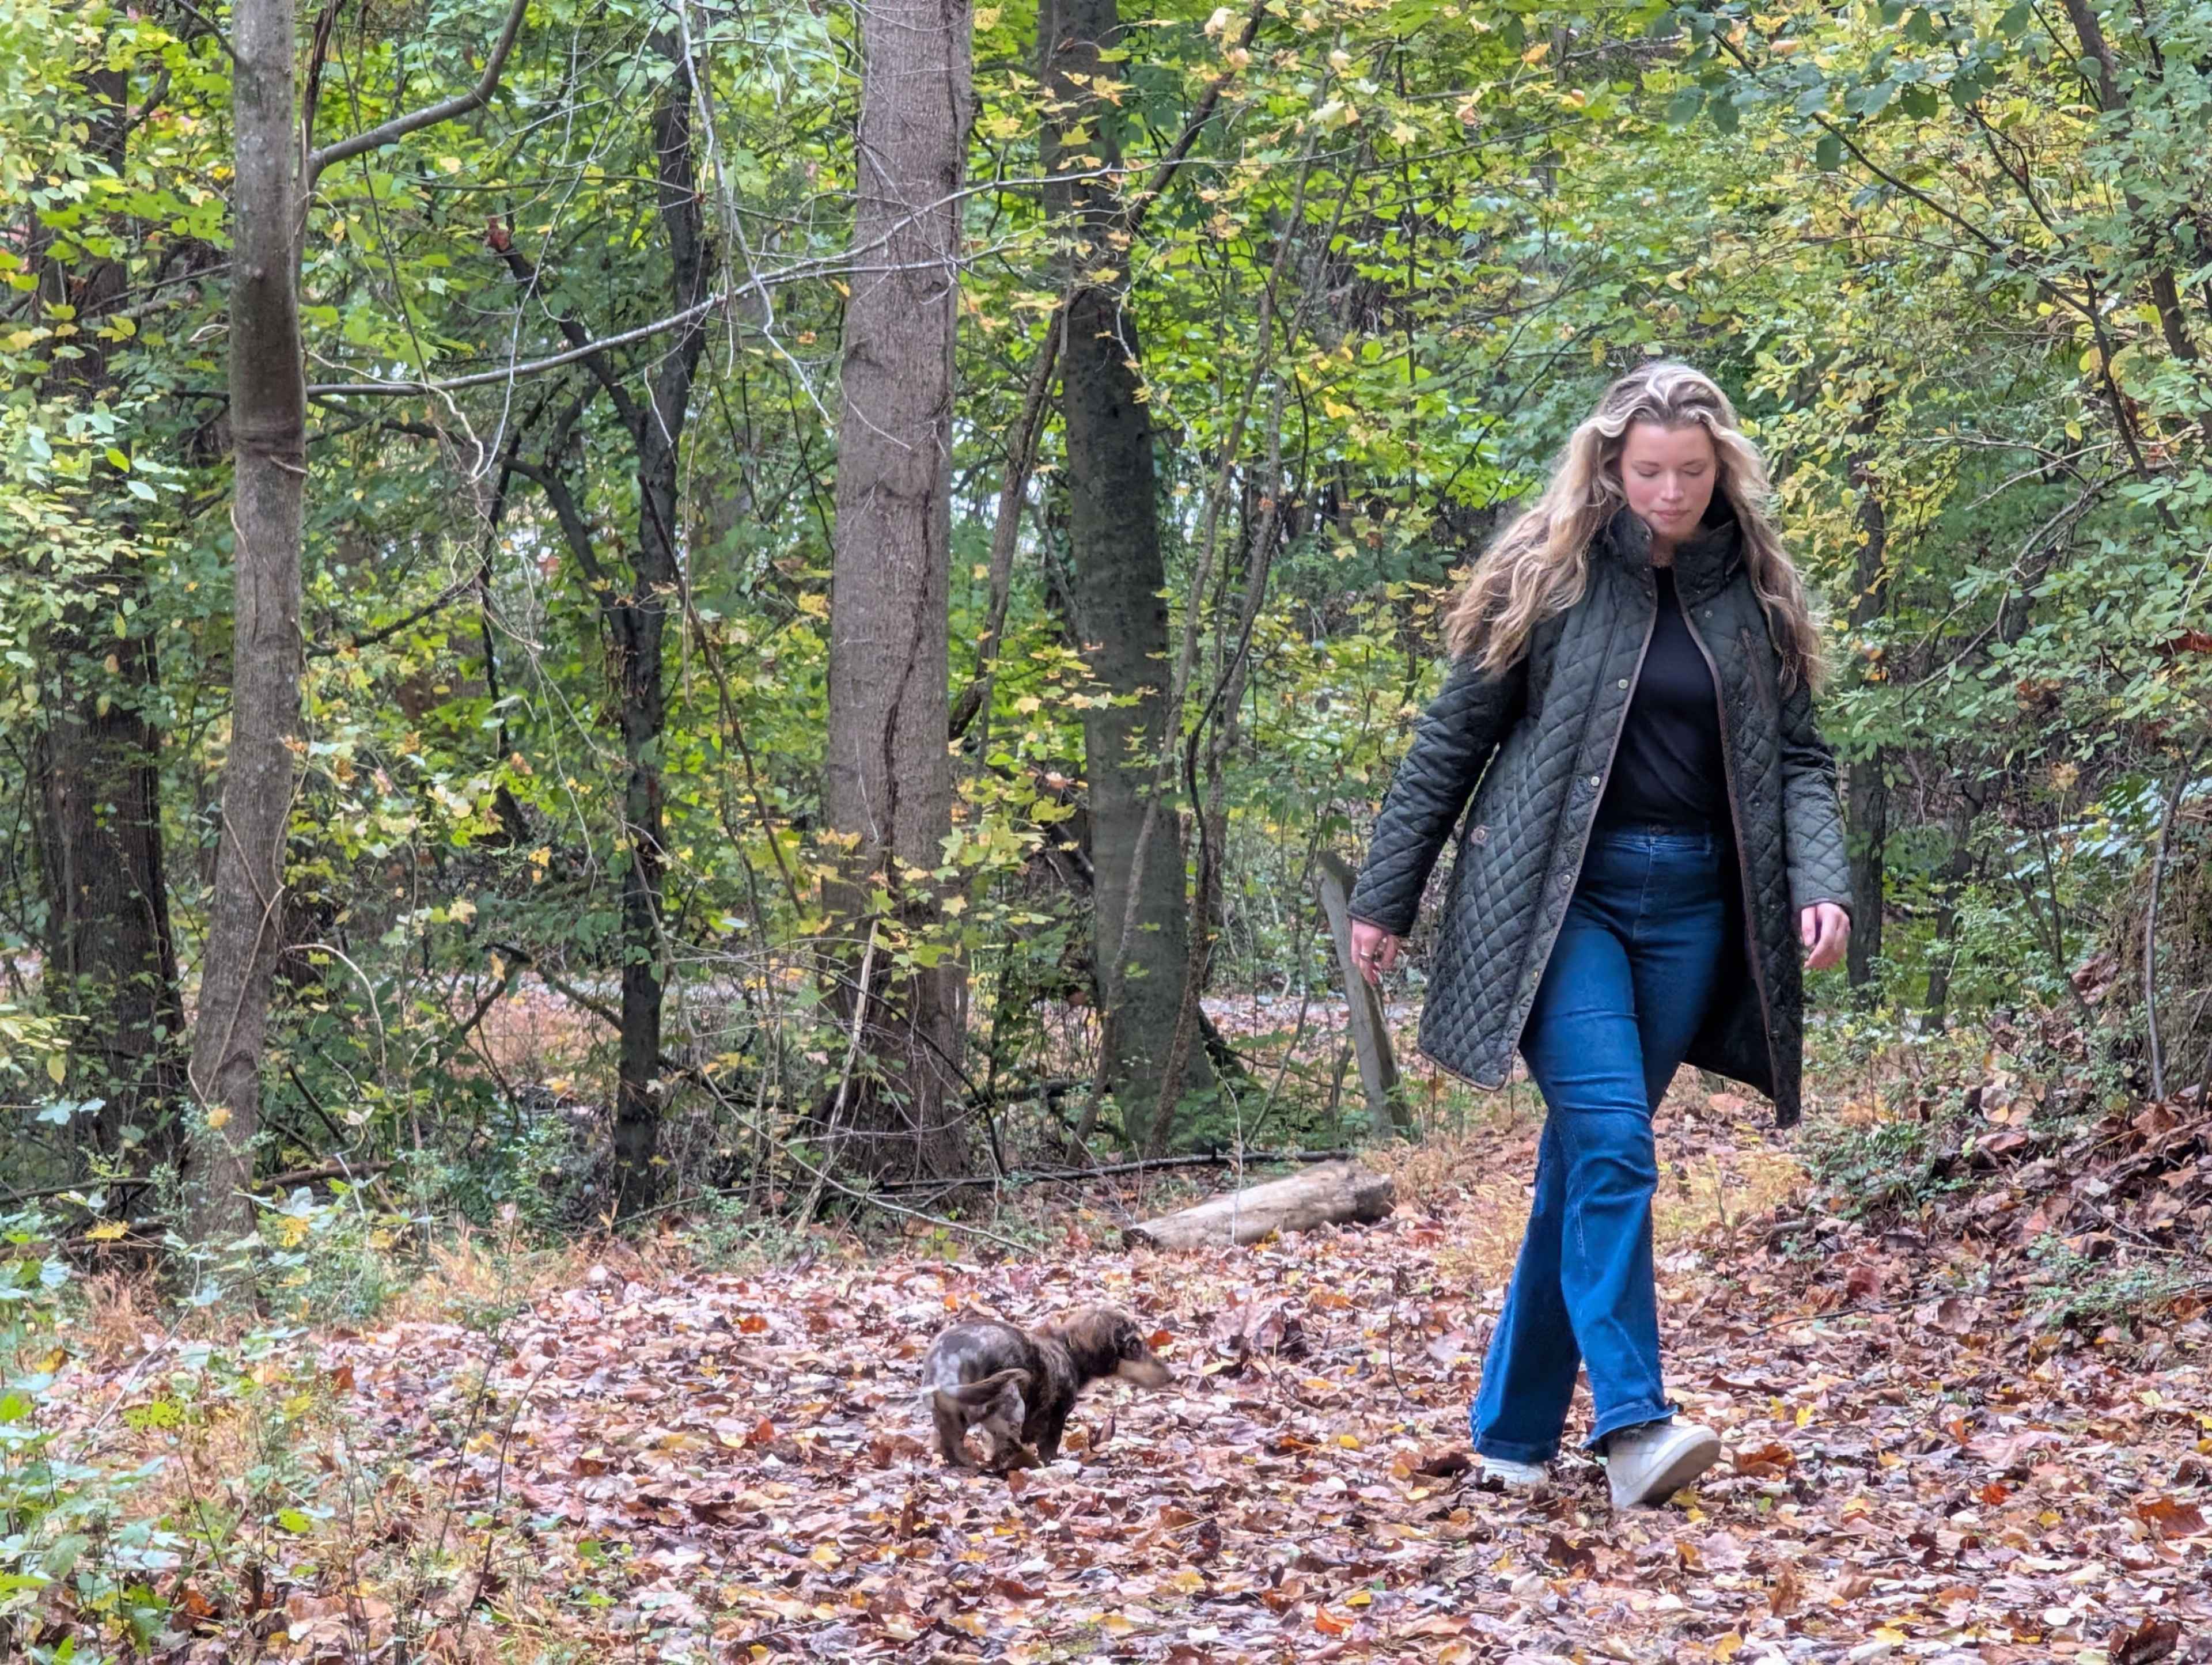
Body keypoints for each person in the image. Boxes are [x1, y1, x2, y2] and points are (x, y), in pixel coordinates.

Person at [1344, 361, 1853, 1510]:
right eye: (1648, 472)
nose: (1669, 493)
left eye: (1690, 472)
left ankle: (1513, 1435)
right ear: (1610, 466)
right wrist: (1387, 896)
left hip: (1696, 912)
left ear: (1722, 469)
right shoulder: (1552, 576)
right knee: (1617, 1148)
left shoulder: (1754, 594)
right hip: (1558, 902)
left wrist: (1821, 881)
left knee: (1584, 1163)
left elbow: (1802, 759)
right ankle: (1634, 1427)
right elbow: (1449, 743)